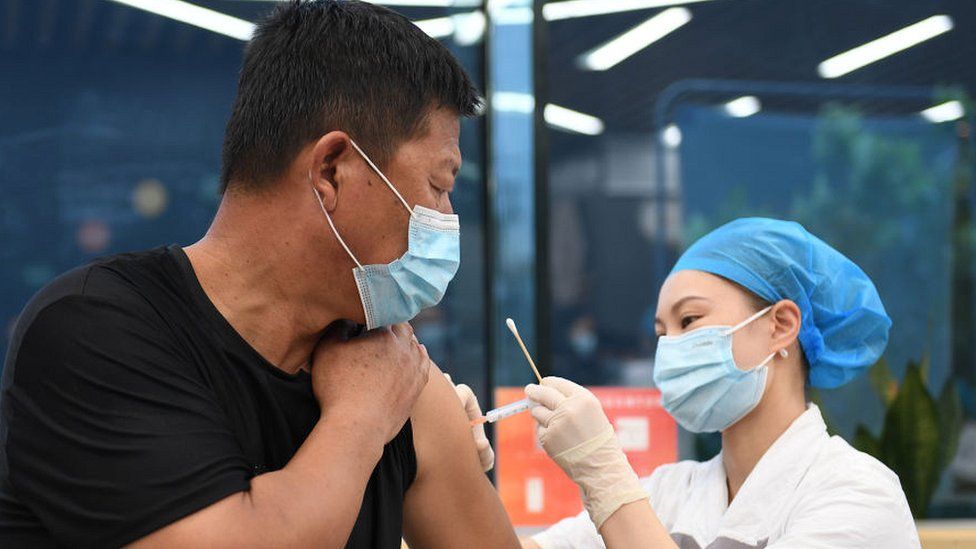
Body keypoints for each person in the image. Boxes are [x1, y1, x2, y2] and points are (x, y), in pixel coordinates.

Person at [0, 1, 520, 547]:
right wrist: (361, 419)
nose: (447, 218)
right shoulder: (93, 331)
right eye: (439, 185)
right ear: (331, 170)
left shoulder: (390, 366)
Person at [456, 218, 920, 548]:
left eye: (690, 320)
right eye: (661, 333)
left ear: (781, 325)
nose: (670, 348)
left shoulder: (858, 495)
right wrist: (454, 468)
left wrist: (604, 478)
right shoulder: (668, 492)